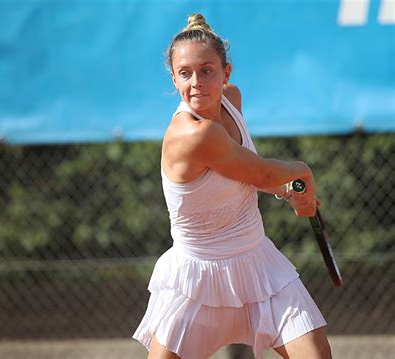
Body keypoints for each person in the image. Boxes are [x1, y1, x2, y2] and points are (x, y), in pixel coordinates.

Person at [133, 14, 332, 359]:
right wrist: (304, 176)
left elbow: (245, 170)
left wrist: (288, 191)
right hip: (196, 277)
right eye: (185, 73)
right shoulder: (194, 135)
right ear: (174, 78)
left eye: (207, 70)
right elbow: (266, 175)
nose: (196, 82)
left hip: (259, 264)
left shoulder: (231, 99)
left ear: (226, 74)